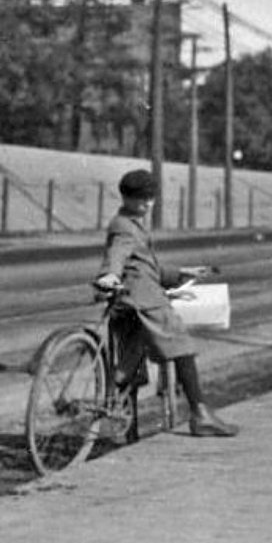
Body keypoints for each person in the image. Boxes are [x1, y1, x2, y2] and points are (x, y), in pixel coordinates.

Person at [93, 169, 238, 437]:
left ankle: (129, 433)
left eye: (151, 199)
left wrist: (181, 273)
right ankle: (200, 415)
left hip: (127, 301)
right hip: (144, 302)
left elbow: (144, 267)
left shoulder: (132, 221)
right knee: (181, 346)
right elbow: (117, 256)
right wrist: (110, 275)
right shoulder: (124, 227)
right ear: (126, 198)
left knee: (129, 366)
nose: (147, 204)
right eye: (141, 199)